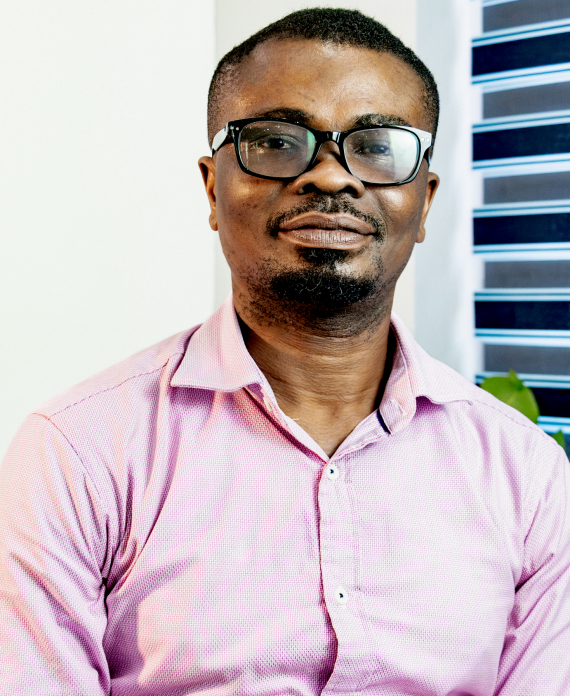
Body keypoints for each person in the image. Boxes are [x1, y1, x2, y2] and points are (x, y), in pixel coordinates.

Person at [1, 7, 569, 695]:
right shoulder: (79, 453)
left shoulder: (527, 473)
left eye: (378, 146)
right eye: (275, 141)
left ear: (423, 203)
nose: (331, 178)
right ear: (213, 188)